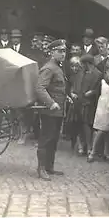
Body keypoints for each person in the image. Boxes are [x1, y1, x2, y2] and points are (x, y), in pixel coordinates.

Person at [35, 39, 68, 180]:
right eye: (59, 51)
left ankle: (49, 167)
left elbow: (58, 88)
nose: (63, 54)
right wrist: (51, 103)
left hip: (58, 111)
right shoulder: (49, 68)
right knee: (46, 138)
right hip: (50, 111)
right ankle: (41, 169)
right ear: (52, 52)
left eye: (64, 51)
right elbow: (40, 88)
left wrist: (66, 97)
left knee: (54, 139)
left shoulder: (58, 67)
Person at [69, 54, 102, 156]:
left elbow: (99, 88)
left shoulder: (98, 74)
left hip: (90, 103)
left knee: (87, 125)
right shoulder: (81, 73)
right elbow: (75, 85)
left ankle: (89, 146)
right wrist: (73, 93)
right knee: (79, 124)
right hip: (79, 101)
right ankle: (81, 145)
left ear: (88, 64)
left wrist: (92, 92)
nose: (81, 66)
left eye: (83, 64)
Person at [88, 63, 109, 162]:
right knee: (101, 130)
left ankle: (107, 152)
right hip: (102, 107)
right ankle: (93, 151)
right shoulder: (102, 82)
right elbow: (96, 93)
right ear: (106, 72)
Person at [64, 56, 82, 151]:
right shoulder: (71, 77)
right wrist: (70, 94)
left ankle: (80, 144)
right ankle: (73, 141)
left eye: (76, 66)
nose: (74, 68)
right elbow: (68, 88)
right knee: (72, 122)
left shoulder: (82, 76)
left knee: (80, 123)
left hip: (80, 101)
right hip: (72, 102)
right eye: (72, 66)